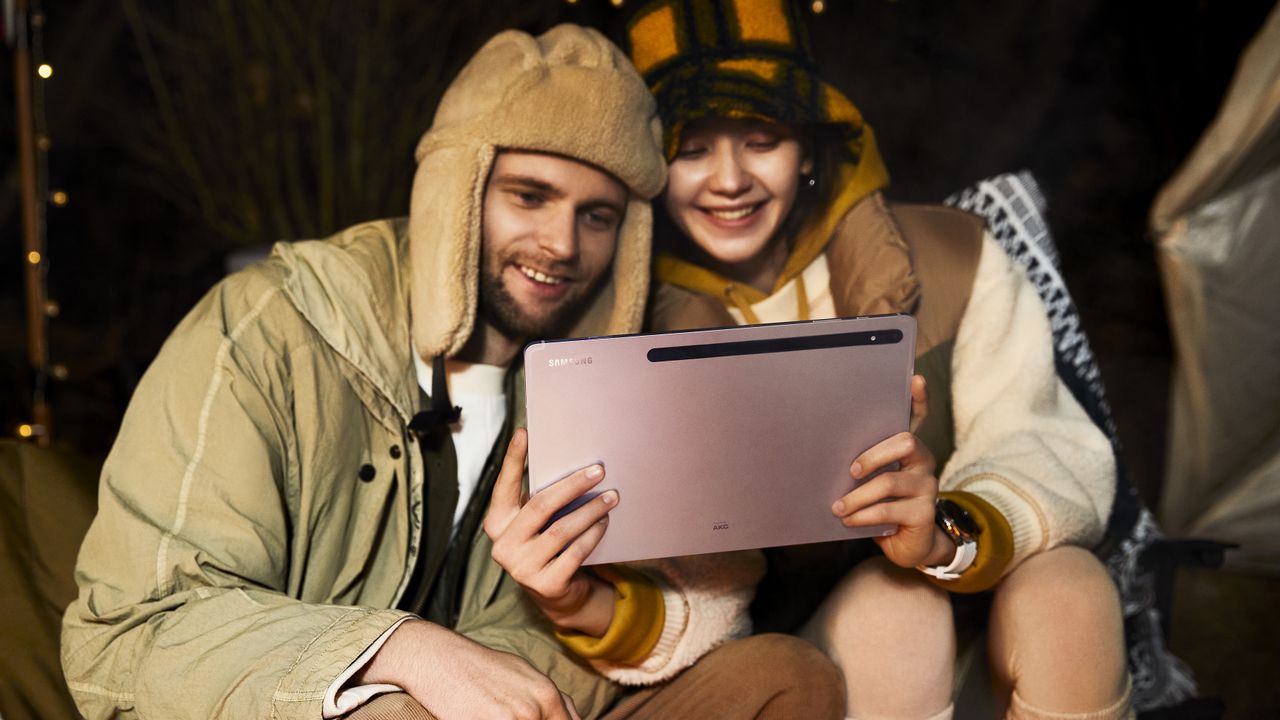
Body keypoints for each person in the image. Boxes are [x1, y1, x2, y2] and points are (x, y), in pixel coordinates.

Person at [61, 24, 843, 720]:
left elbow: (712, 605)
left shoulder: (609, 371)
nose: (562, 244)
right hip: (306, 704)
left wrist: (565, 605)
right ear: (458, 192)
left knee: (784, 677)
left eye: (596, 216)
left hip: (532, 693)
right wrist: (406, 653)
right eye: (529, 196)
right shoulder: (265, 330)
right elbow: (134, 633)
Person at [625, 1, 1133, 719]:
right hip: (817, 664)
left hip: (988, 632)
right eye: (692, 147)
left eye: (761, 138)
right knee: (896, 608)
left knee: (1072, 589)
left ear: (809, 145)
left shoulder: (957, 253)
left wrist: (946, 528)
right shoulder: (627, 320)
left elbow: (1045, 443)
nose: (729, 180)